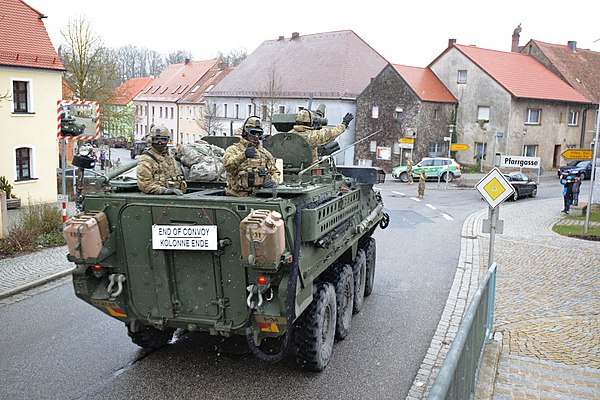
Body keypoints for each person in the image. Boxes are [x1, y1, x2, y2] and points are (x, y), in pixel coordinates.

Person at [222, 117, 279, 197]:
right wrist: (243, 156)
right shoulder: (233, 150)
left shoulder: (265, 153)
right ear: (246, 132)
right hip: (237, 196)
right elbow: (228, 166)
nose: (256, 136)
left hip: (259, 196)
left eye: (259, 133)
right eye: (253, 132)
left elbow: (275, 171)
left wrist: (274, 181)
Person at [136, 125, 186, 195]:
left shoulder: (169, 156)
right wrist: (165, 191)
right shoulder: (146, 160)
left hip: (174, 196)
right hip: (158, 198)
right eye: (156, 139)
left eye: (163, 139)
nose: (160, 143)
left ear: (167, 140)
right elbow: (145, 185)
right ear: (151, 140)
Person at [289, 109, 354, 162]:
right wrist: (344, 124)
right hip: (308, 171)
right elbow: (331, 133)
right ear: (310, 122)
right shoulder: (312, 136)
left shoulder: (289, 135)